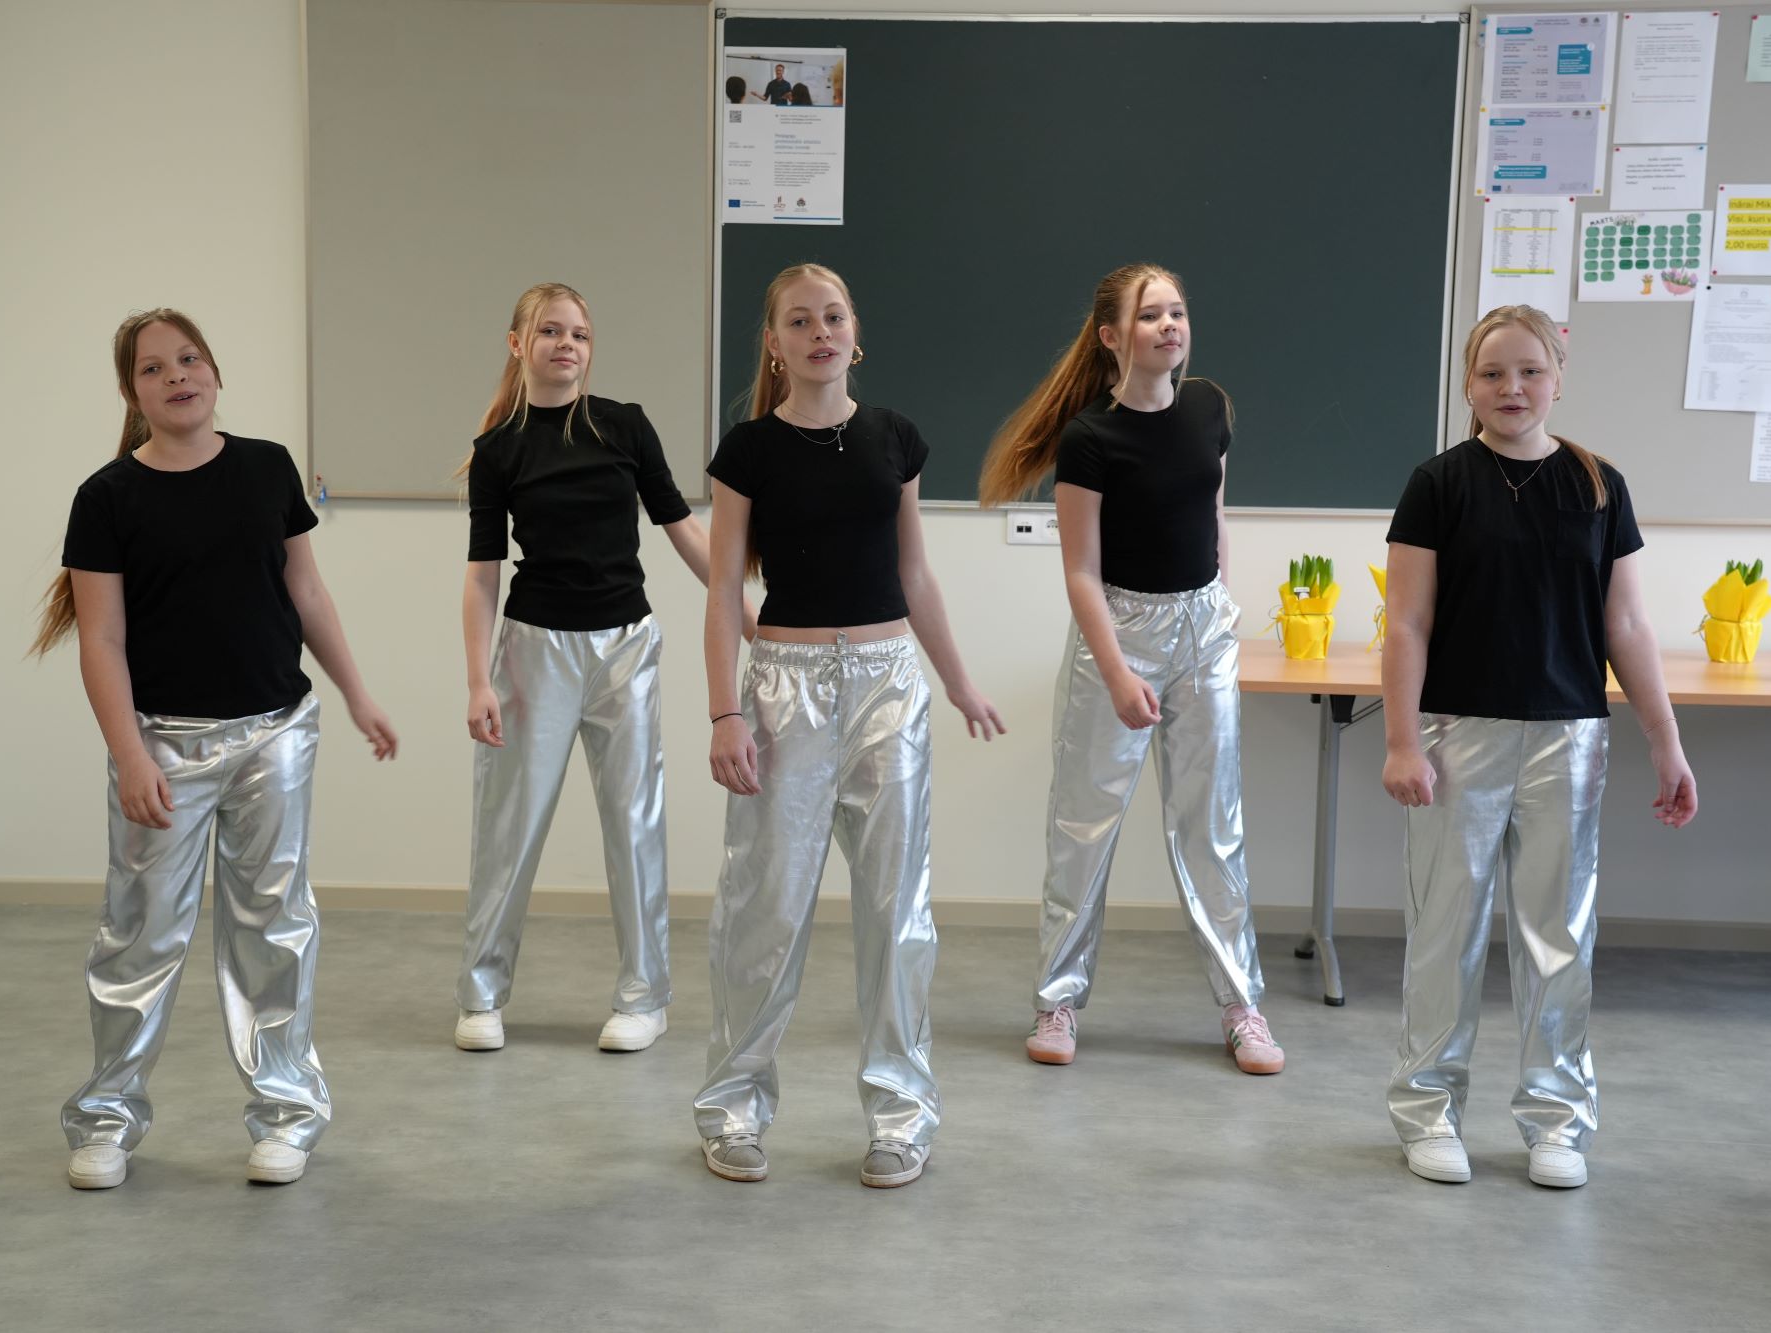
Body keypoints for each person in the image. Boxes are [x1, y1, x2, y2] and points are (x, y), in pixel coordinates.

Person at [35, 308, 398, 1191]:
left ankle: (286, 1114)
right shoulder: (107, 497)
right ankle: (106, 1119)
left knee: (274, 926)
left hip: (276, 733)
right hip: (164, 744)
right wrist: (131, 754)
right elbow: (101, 640)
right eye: (153, 368)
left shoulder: (268, 468)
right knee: (140, 931)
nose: (177, 377)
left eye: (189, 359)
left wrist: (358, 693)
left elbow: (307, 592)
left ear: (215, 371)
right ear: (132, 393)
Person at [695, 262, 1005, 1189]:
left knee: (897, 912)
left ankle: (901, 1116)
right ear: (774, 343)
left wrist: (958, 683)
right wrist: (724, 710)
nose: (819, 332)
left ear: (854, 332)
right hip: (783, 691)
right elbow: (723, 590)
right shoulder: (748, 449)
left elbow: (915, 574)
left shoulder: (893, 438)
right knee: (765, 908)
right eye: (800, 320)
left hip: (886, 688)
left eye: (833, 316)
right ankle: (734, 1108)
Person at [1381, 303, 1697, 1189]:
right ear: (1468, 386)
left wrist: (1666, 741)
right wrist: (1401, 740)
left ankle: (1557, 1120)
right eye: (1492, 373)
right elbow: (1406, 623)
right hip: (1457, 735)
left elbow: (1627, 625)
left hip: (1570, 737)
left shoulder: (1599, 485)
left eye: (1529, 371)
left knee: (1559, 933)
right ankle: (1427, 1110)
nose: (1511, 388)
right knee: (1445, 930)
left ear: (1558, 379)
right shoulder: (1438, 483)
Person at [979, 263, 1283, 1076]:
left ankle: (1242, 1005)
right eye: (1151, 315)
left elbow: (1214, 514)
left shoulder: (1209, 407)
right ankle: (1058, 999)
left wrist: (1221, 607)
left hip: (1203, 631)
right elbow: (1081, 571)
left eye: (1177, 311)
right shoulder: (1090, 438)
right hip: (1119, 631)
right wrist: (1117, 672)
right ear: (1112, 336)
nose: (1169, 325)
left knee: (1212, 826)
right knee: (1083, 824)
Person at [455, 282, 752, 1056]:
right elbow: (483, 573)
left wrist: (744, 612)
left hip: (625, 647)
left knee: (633, 822)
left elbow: (684, 529)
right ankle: (481, 995)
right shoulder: (498, 451)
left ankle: (644, 997)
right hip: (533, 649)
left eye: (580, 334)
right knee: (509, 826)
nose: (567, 345)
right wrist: (479, 679)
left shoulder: (624, 425)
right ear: (518, 343)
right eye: (551, 331)